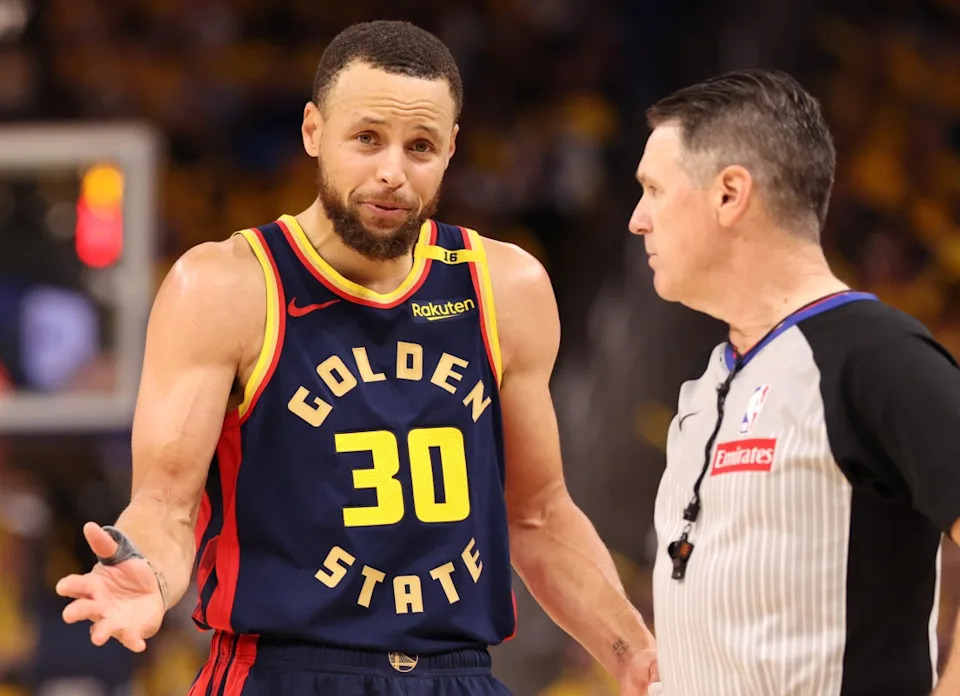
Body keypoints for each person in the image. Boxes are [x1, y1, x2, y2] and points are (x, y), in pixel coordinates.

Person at [54, 20, 658, 696]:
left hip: (457, 675)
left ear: (453, 149)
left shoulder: (505, 286)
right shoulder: (226, 286)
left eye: (421, 146)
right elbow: (165, 504)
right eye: (367, 138)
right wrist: (148, 572)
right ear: (314, 131)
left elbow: (540, 516)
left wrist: (637, 655)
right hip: (284, 672)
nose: (392, 172)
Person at [628, 67, 960, 696]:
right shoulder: (708, 382)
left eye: (652, 190)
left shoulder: (875, 354)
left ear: (730, 194)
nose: (637, 220)